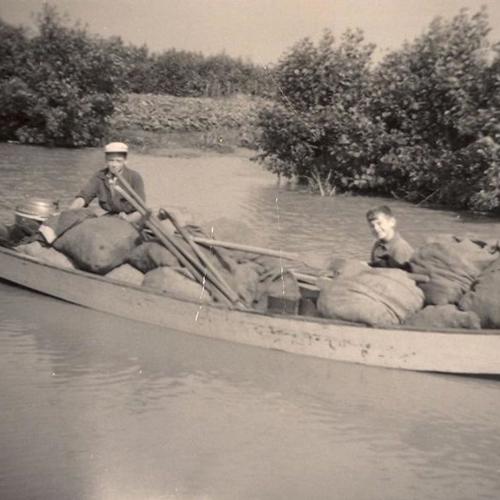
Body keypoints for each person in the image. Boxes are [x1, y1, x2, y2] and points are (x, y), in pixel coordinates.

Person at [69, 142, 145, 224]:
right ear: (106, 160)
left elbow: (140, 207)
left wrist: (127, 219)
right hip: (111, 215)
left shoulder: (134, 177)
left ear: (125, 161)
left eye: (118, 161)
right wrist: (70, 211)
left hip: (132, 215)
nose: (114, 165)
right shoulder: (99, 176)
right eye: (111, 160)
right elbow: (84, 197)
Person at [366, 205, 414, 270]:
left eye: (379, 223)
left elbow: (402, 277)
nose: (376, 228)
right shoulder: (378, 244)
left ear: (392, 222)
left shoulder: (400, 248)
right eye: (372, 226)